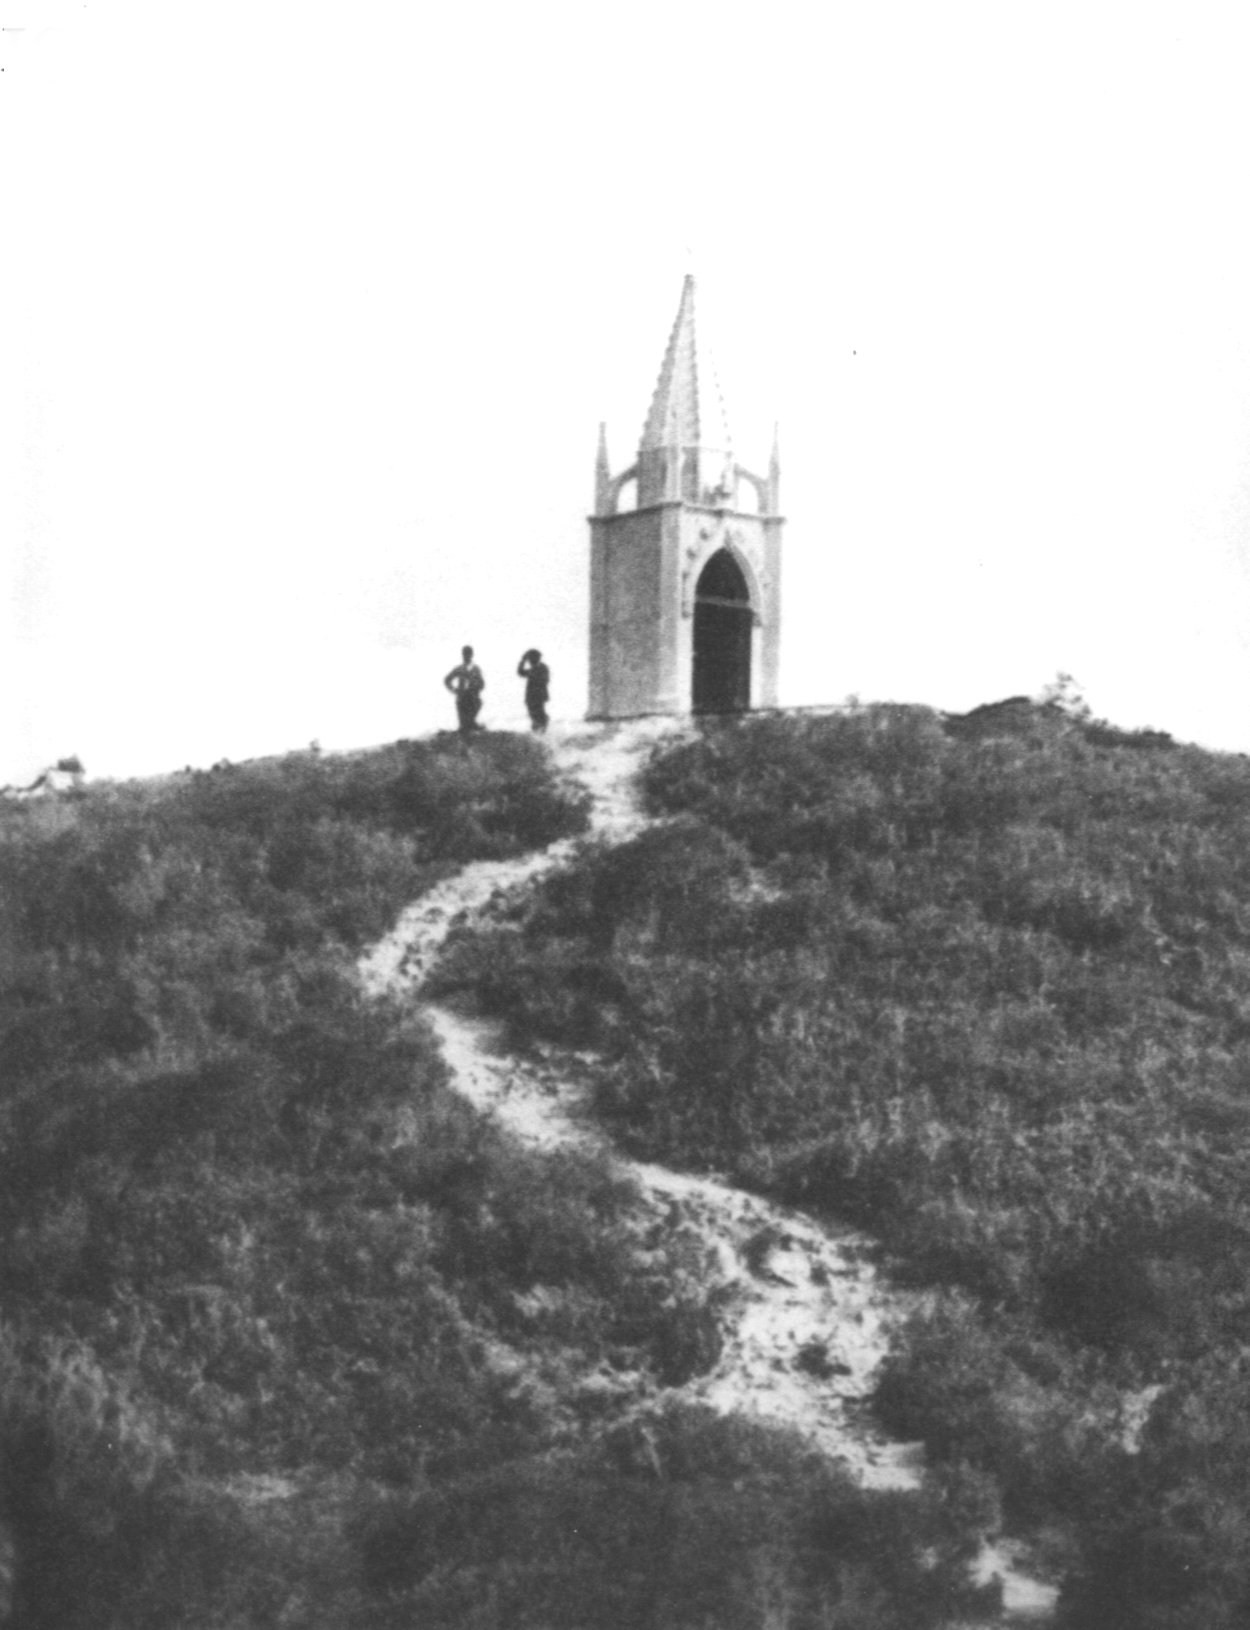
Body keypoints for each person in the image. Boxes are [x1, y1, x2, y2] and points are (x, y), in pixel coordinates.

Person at [444, 646, 485, 736]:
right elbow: (447, 680)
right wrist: (454, 689)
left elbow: (482, 684)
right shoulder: (459, 669)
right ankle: (468, 726)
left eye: (468, 654)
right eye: (464, 654)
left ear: (472, 655)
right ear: (462, 655)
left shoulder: (476, 669)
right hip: (462, 699)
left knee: (478, 705)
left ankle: (471, 724)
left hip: (473, 699)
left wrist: (476, 687)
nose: (466, 656)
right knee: (464, 728)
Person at [517, 648, 550, 732]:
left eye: (530, 658)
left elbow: (543, 680)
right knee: (534, 716)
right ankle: (538, 731)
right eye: (529, 659)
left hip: (538, 696)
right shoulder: (534, 668)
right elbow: (520, 672)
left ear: (537, 658)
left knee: (538, 716)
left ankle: (541, 731)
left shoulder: (541, 667)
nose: (529, 661)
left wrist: (524, 660)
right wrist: (523, 660)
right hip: (532, 696)